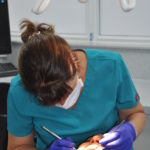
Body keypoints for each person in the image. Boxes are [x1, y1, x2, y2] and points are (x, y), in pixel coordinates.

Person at [7, 19, 145, 150]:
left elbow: (136, 114)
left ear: (75, 64)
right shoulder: (19, 91)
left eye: (66, 92)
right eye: (51, 100)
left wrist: (130, 131)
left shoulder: (111, 65)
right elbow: (17, 146)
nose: (63, 102)